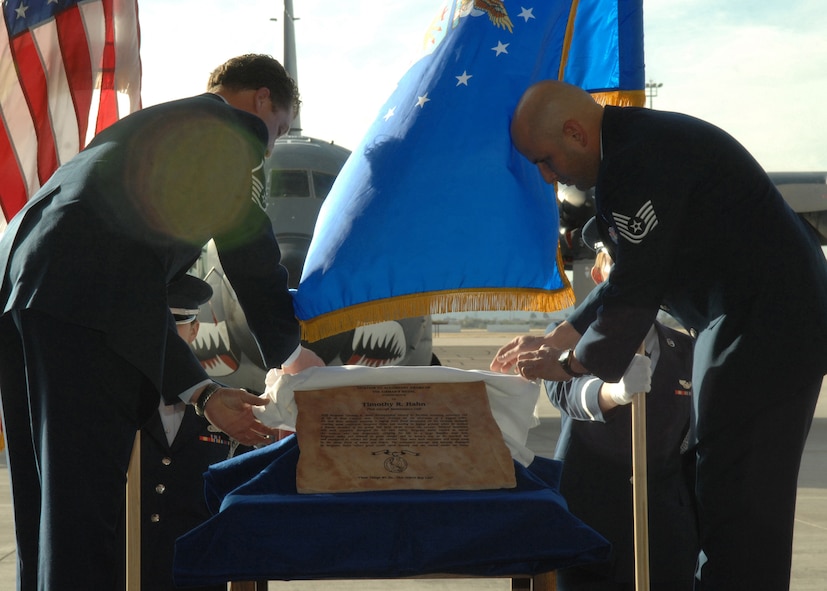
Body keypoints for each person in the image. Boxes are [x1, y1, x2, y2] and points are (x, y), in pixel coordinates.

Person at [0, 54, 324, 590]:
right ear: (262, 100)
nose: (271, 146)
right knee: (85, 518)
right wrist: (287, 352)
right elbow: (248, 250)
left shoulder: (153, 130)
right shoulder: (233, 131)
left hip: (23, 290)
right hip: (84, 306)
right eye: (280, 129)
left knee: (48, 509)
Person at [490, 80, 827, 589]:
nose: (546, 175)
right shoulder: (635, 147)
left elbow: (637, 285)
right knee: (718, 488)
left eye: (546, 159)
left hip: (764, 328)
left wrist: (570, 366)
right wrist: (560, 337)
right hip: (756, 322)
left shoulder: (635, 163)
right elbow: (633, 268)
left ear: (576, 132)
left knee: (739, 504)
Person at [547, 218, 697, 590]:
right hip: (589, 522)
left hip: (665, 531)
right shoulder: (570, 347)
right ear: (599, 274)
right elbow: (565, 392)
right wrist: (613, 393)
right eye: (619, 262)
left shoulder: (687, 350)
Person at [140, 275, 251, 591]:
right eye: (160, 323)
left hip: (198, 572)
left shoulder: (228, 407)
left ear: (195, 329)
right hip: (127, 566)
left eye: (176, 323)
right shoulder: (117, 402)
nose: (168, 335)